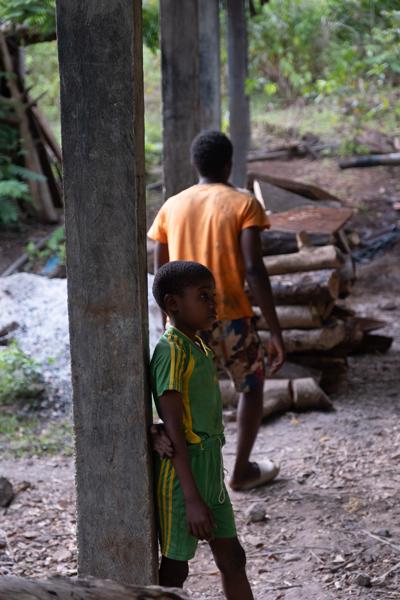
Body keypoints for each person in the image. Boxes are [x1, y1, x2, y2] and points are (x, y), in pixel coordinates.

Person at [148, 130, 285, 491]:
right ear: (229, 164)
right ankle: (240, 471)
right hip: (233, 318)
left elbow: (162, 275)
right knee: (251, 387)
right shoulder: (244, 204)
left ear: (195, 164)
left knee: (183, 400)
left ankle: (189, 478)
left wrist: (167, 323)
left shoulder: (172, 206)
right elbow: (254, 268)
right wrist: (275, 330)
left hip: (184, 325)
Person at [150, 260, 254, 599]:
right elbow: (174, 426)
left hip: (210, 468)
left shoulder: (197, 345)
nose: (214, 305)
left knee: (233, 557)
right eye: (204, 297)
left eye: (214, 296)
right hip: (183, 476)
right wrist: (192, 498)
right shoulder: (171, 350)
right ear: (173, 304)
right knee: (175, 570)